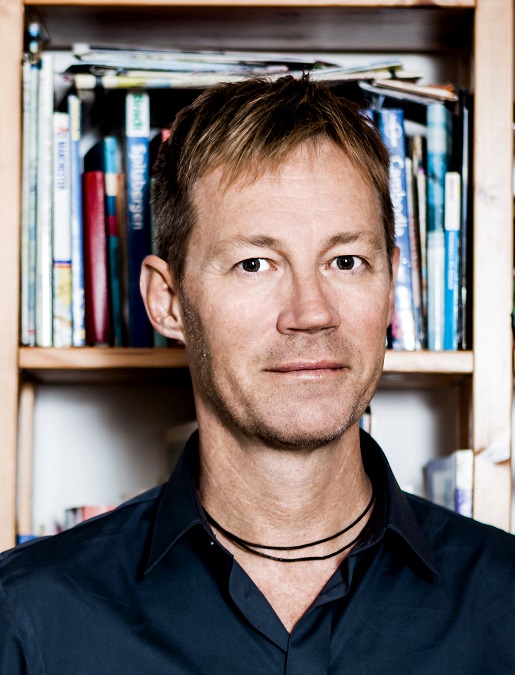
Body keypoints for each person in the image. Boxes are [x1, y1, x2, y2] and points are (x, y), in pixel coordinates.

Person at [2, 76, 515, 674]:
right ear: (167, 300)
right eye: (254, 264)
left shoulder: (505, 603)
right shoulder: (30, 617)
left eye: (346, 260)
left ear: (390, 284)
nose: (311, 313)